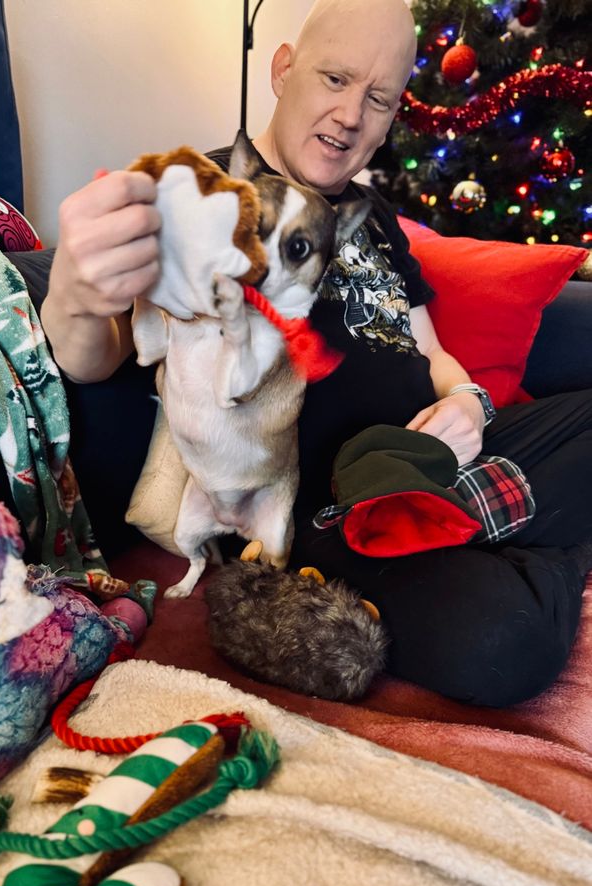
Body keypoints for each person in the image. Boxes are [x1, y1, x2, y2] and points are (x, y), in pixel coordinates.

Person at [39, 0, 592, 709]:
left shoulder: (374, 216)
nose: (352, 114)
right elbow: (99, 354)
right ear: (282, 70)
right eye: (335, 79)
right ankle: (546, 535)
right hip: (330, 504)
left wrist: (466, 402)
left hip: (440, 449)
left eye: (380, 99)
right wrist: (75, 295)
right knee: (502, 645)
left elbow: (434, 351)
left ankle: (484, 513)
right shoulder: (212, 197)